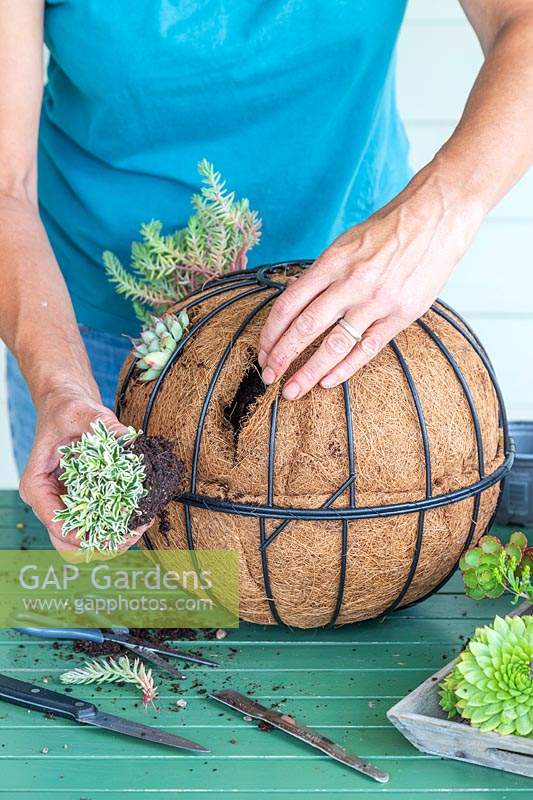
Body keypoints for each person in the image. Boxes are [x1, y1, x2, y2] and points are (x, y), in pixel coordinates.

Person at [1, 1, 532, 553]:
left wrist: (438, 212)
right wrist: (62, 386)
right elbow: (4, 189)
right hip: (86, 336)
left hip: (349, 321)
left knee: (327, 592)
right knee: (92, 612)